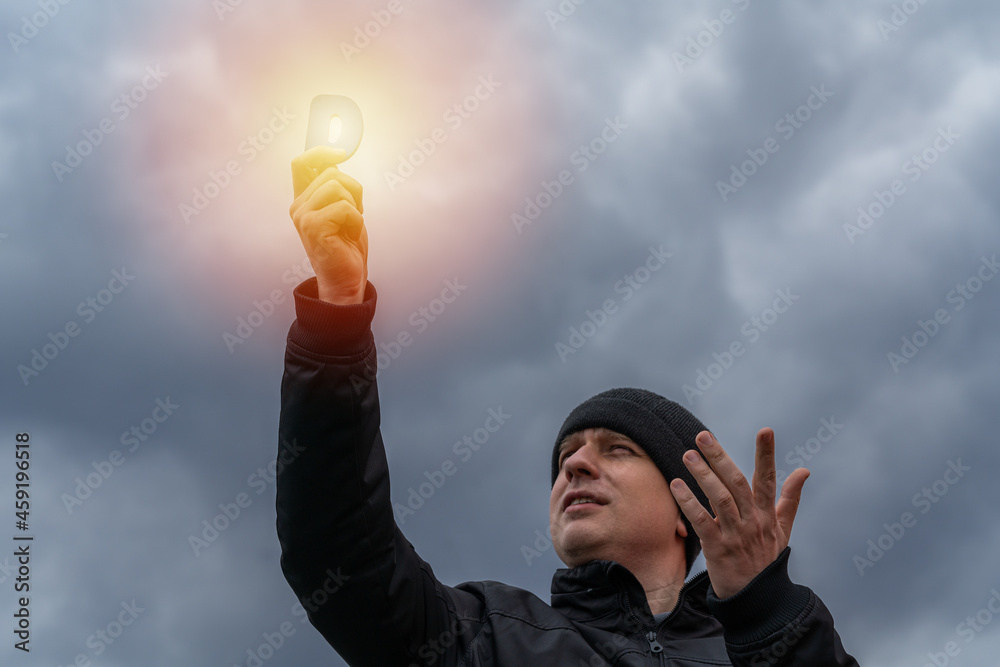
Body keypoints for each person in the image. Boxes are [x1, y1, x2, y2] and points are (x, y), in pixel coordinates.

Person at [275, 147, 860, 666]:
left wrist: (766, 609)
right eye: (564, 458)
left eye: (619, 449)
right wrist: (338, 319)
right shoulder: (479, 639)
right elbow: (340, 551)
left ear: (690, 512)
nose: (574, 468)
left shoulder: (757, 646)